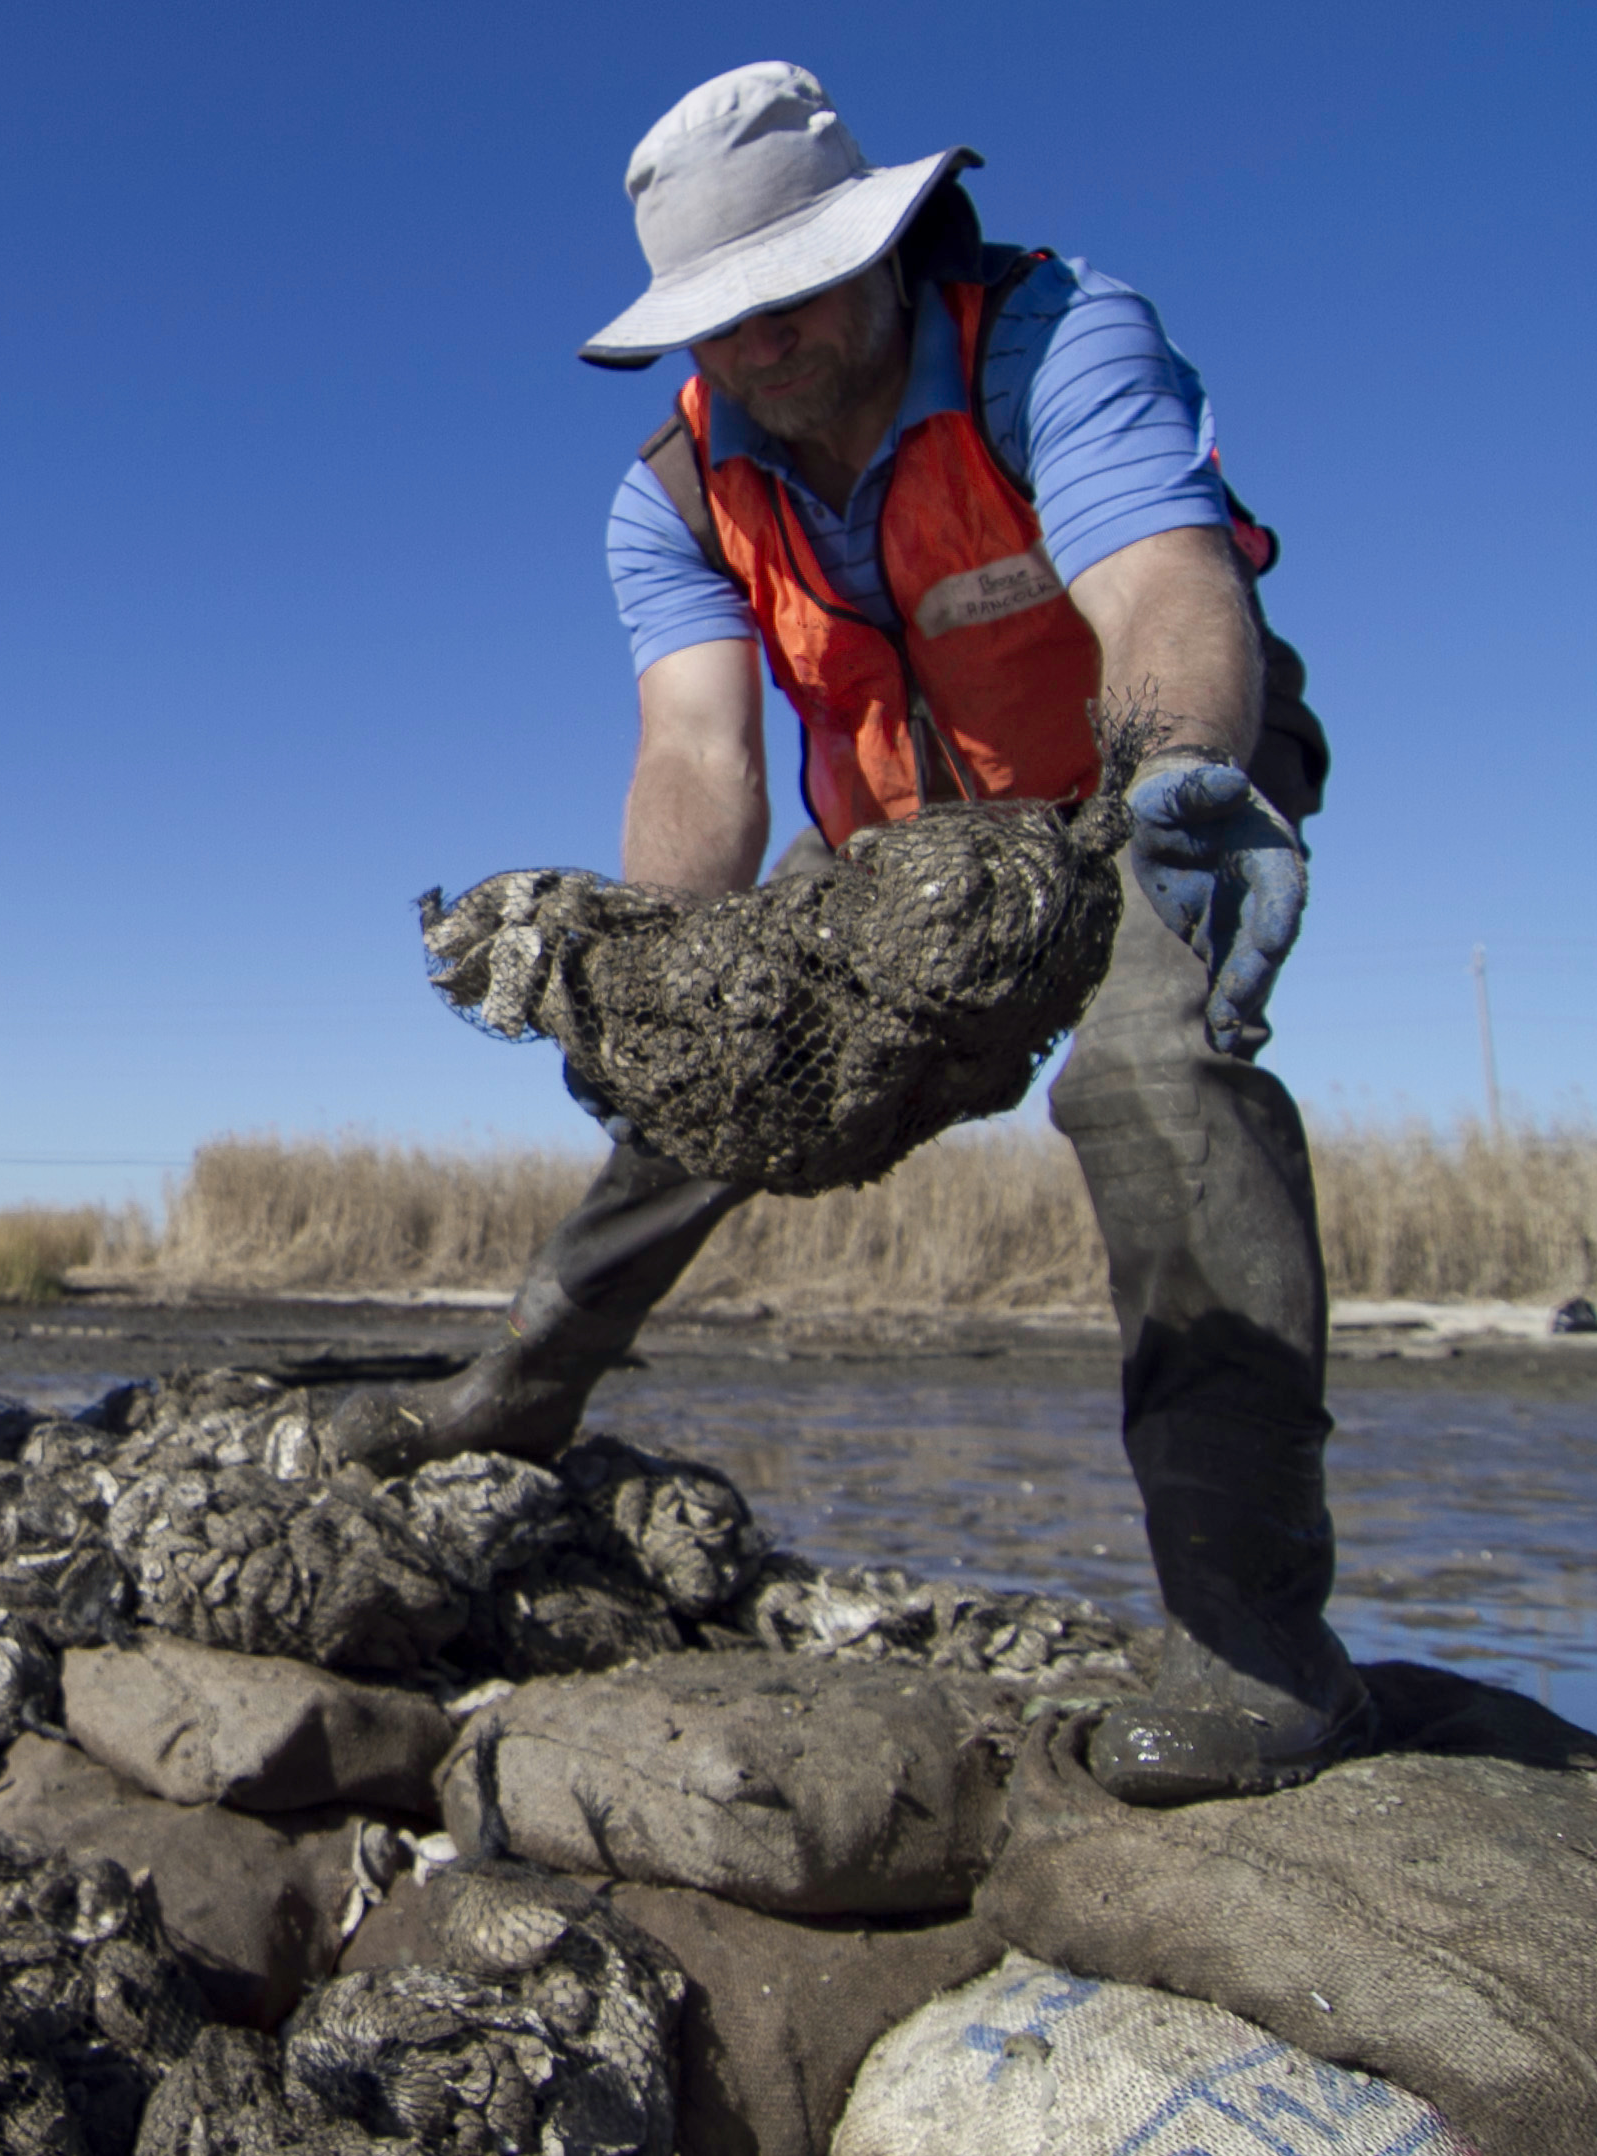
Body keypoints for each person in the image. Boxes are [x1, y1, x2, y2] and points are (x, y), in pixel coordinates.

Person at [338, 63, 1348, 1805]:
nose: (766, 346)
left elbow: (1158, 580)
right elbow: (699, 751)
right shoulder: (666, 496)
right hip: (904, 863)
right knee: (706, 1075)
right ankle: (512, 1390)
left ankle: (1258, 1651)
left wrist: (1184, 767)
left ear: (881, 242)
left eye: (796, 293)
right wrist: (656, 983)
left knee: (1148, 1082)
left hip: (1146, 801)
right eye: (720, 322)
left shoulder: (1051, 337)